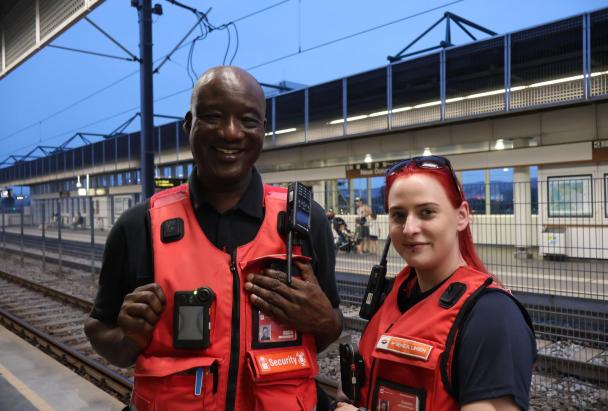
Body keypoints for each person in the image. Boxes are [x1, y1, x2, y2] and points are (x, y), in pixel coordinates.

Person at [84, 66, 343, 411]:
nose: (230, 132)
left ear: (263, 131)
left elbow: (330, 325)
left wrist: (325, 320)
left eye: (248, 120)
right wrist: (128, 337)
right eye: (213, 117)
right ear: (189, 125)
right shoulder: (139, 225)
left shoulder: (306, 223)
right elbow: (101, 331)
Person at [336, 156, 536, 411]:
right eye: (398, 215)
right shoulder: (394, 296)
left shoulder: (493, 317)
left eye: (426, 212)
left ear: (462, 216)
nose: (409, 228)